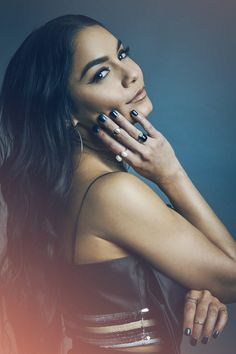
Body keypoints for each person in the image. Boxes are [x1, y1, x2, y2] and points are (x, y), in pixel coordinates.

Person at [0, 14, 235, 354]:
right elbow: (232, 278)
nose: (131, 74)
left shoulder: (68, 187)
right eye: (101, 73)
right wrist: (172, 175)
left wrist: (198, 289)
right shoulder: (111, 193)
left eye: (122, 54)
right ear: (67, 113)